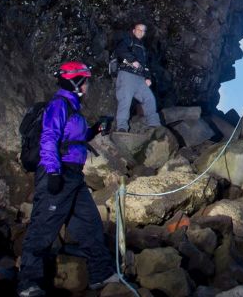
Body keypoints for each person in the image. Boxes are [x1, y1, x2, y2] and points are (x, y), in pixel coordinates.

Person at [18, 61, 119, 297]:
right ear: (75, 82)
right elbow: (49, 138)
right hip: (58, 172)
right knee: (43, 228)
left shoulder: (72, 107)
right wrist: (53, 173)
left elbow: (75, 139)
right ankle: (27, 284)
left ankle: (100, 273)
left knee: (89, 224)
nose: (88, 85)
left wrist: (95, 129)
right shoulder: (58, 105)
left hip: (73, 175)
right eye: (86, 81)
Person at [114, 22, 160, 132]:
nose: (141, 32)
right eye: (139, 29)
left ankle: (154, 125)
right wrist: (132, 60)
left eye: (143, 30)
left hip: (139, 78)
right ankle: (121, 127)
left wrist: (148, 77)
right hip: (127, 75)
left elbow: (145, 65)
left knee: (149, 99)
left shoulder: (143, 47)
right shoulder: (128, 40)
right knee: (125, 101)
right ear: (134, 30)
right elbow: (120, 50)